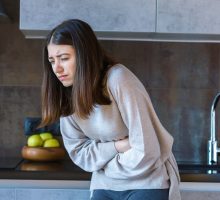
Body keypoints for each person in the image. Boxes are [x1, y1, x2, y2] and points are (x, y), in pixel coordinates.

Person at [40, 19, 181, 200]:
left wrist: (103, 164)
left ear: (85, 55)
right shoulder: (66, 94)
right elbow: (79, 152)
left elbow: (146, 151)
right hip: (104, 185)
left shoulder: (118, 79)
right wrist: (118, 146)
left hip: (147, 181)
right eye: (52, 61)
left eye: (64, 58)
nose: (57, 68)